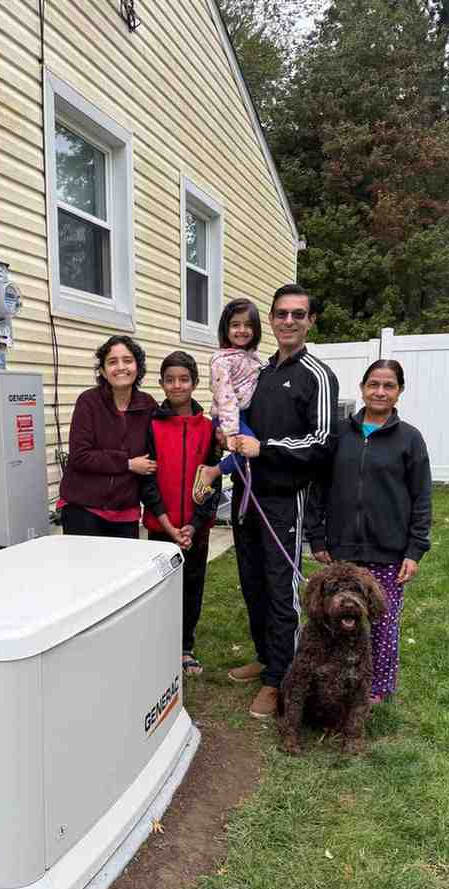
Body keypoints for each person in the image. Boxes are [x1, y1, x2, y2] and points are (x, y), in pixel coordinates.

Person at [228, 283, 339, 720]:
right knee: (253, 582)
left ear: (311, 321)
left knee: (280, 588)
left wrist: (266, 448)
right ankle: (266, 657)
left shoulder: (317, 375)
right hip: (246, 495)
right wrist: (229, 435)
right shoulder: (259, 371)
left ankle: (281, 679)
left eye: (298, 314)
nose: (288, 321)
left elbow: (323, 442)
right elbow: (239, 418)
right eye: (281, 314)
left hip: (284, 500)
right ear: (271, 320)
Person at [307, 359, 432, 703]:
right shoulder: (339, 435)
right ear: (362, 389)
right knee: (336, 617)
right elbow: (318, 489)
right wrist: (316, 536)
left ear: (399, 391)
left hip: (388, 550)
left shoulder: (410, 439)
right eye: (373, 384)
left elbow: (422, 497)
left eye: (388, 385)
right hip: (342, 551)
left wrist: (414, 550)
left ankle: (377, 688)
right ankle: (336, 680)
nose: (380, 392)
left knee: (382, 622)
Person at [141, 352, 221, 676]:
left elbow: (214, 479)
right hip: (162, 525)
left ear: (195, 383)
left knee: (192, 586)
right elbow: (147, 480)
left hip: (195, 529)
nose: (177, 386)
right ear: (161, 384)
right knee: (162, 588)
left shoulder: (208, 428)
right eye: (170, 380)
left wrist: (194, 524)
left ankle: (185, 646)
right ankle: (162, 645)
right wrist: (166, 522)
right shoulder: (151, 425)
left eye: (184, 379)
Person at [59, 335, 158, 538]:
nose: (121, 367)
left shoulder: (147, 405)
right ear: (103, 371)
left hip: (126, 511)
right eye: (112, 362)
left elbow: (166, 435)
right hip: (84, 508)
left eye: (127, 360)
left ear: (138, 367)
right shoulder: (89, 402)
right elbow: (80, 456)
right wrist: (127, 464)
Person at [191, 298, 263, 502]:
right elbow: (225, 397)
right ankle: (210, 473)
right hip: (229, 418)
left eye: (248, 325)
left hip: (244, 416)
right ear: (226, 328)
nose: (242, 330)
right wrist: (230, 432)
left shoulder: (252, 357)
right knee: (248, 449)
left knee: (251, 452)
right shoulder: (221, 360)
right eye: (235, 325)